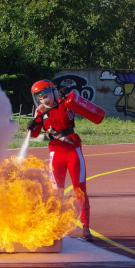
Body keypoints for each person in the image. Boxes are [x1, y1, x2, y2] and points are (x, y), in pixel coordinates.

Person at [27, 80, 93, 241]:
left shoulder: (66, 102)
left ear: (53, 92)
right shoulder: (40, 111)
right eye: (40, 98)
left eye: (45, 96)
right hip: (56, 153)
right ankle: (55, 226)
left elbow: (83, 108)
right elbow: (34, 134)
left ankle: (86, 227)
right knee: (56, 192)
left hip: (73, 150)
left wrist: (69, 96)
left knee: (80, 189)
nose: (43, 100)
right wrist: (32, 126)